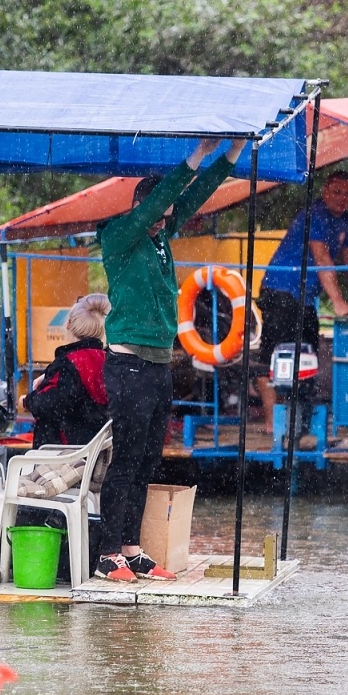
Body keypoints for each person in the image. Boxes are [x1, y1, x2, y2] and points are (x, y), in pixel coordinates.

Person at [94, 137, 245, 583]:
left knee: (147, 461)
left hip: (158, 365)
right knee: (125, 460)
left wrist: (231, 153)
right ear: (142, 208)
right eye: (157, 217)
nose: (164, 224)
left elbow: (191, 197)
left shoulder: (161, 233)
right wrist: (197, 153)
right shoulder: (120, 235)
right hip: (127, 364)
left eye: (166, 219)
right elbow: (158, 204)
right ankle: (107, 555)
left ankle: (131, 548)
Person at [256, 170, 348, 436]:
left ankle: (301, 419)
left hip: (304, 296)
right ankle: (273, 420)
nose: (343, 198)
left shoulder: (343, 219)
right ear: (325, 192)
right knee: (274, 353)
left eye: (347, 193)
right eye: (337, 192)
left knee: (307, 351)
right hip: (281, 289)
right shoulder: (315, 215)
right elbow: (321, 258)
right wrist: (339, 302)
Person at [25, 293, 111, 448]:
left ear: (68, 324)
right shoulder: (110, 362)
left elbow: (49, 404)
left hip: (62, 460)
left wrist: (26, 401)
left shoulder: (68, 363)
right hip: (96, 456)